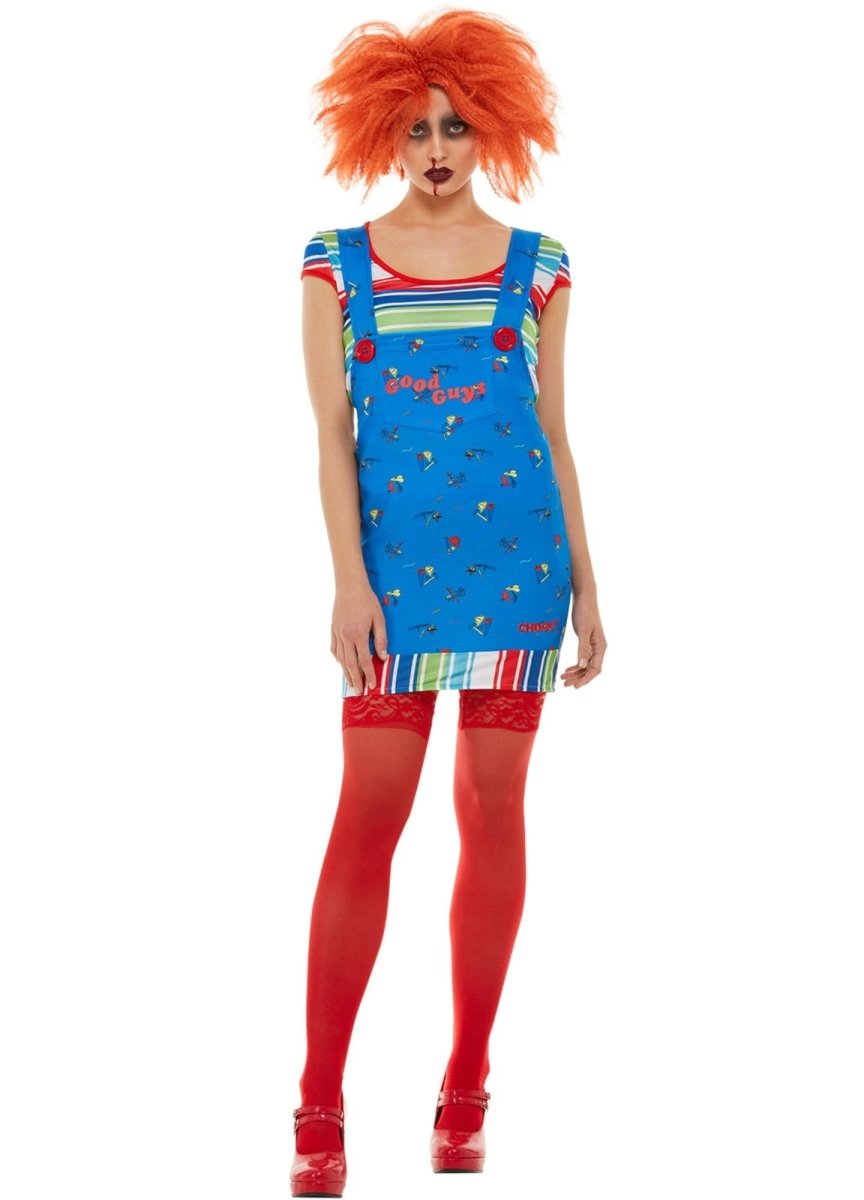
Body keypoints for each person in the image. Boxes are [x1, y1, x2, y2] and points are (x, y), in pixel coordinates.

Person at [292, 9, 607, 1196]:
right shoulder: (336, 262)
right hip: (394, 588)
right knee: (366, 818)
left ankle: (467, 1081)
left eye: (458, 129)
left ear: (492, 134)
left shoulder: (542, 264)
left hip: (520, 577)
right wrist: (347, 580)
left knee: (494, 811)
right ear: (382, 131)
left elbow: (554, 431)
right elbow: (331, 439)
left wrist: (588, 581)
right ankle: (319, 1097)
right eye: (417, 129)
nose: (436, 150)